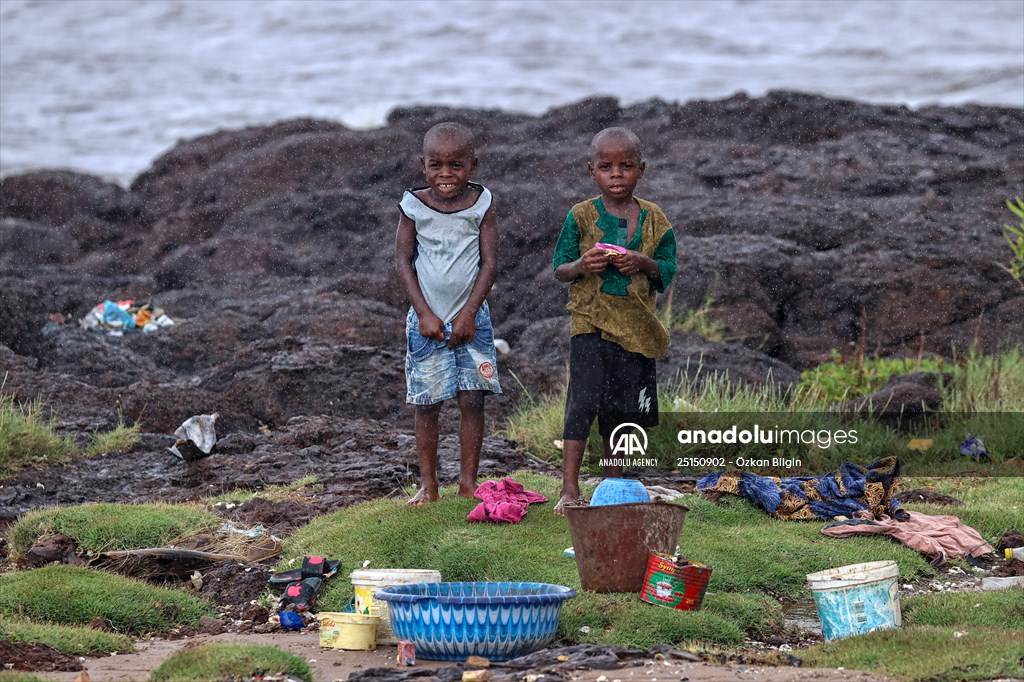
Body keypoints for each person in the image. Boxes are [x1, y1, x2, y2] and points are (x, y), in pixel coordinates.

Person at [550, 127, 677, 515]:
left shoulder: (655, 219)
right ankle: (569, 488)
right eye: (606, 167)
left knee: (623, 411)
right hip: (590, 324)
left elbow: (667, 270)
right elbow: (559, 269)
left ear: (642, 169)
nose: (616, 174)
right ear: (592, 171)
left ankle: (613, 486)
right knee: (582, 403)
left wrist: (641, 262)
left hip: (636, 330)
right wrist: (582, 264)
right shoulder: (580, 215)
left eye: (625, 166)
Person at [395, 122, 501, 506]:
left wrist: (470, 314)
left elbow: (489, 264)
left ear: (472, 165)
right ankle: (429, 485)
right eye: (436, 165)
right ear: (422, 164)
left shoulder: (482, 203)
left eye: (456, 165)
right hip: (427, 323)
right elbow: (403, 261)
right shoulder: (413, 204)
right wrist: (423, 312)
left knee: (473, 399)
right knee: (427, 402)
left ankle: (468, 483)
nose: (445, 174)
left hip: (473, 319)